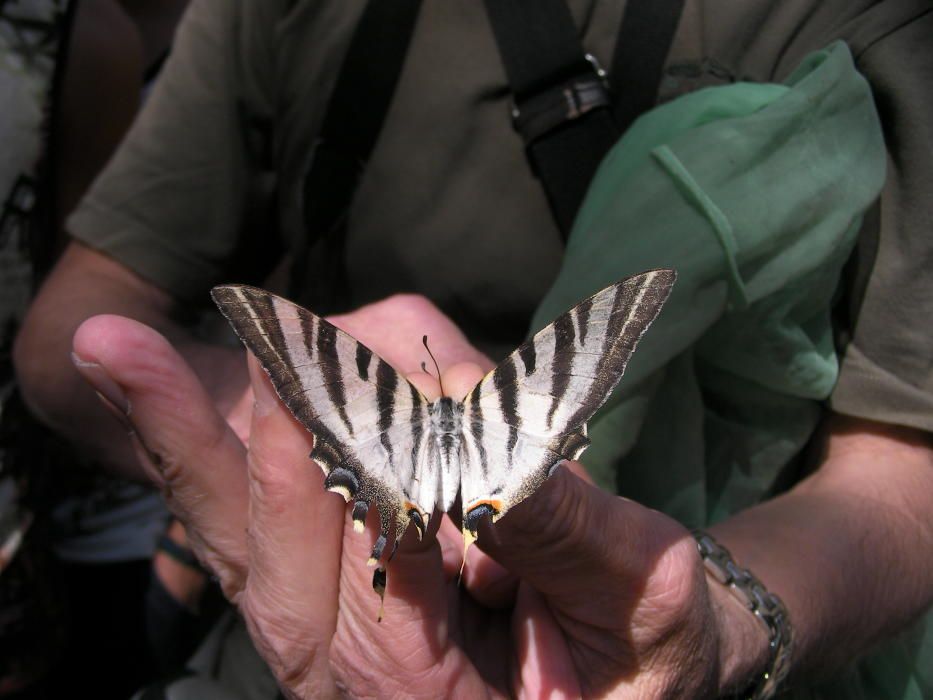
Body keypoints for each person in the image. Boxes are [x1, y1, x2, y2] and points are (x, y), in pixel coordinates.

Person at [13, 0, 933, 697]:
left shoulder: (877, 19)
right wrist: (263, 432)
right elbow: (66, 339)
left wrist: (721, 623)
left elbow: (907, 461)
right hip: (329, 598)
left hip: (686, 599)